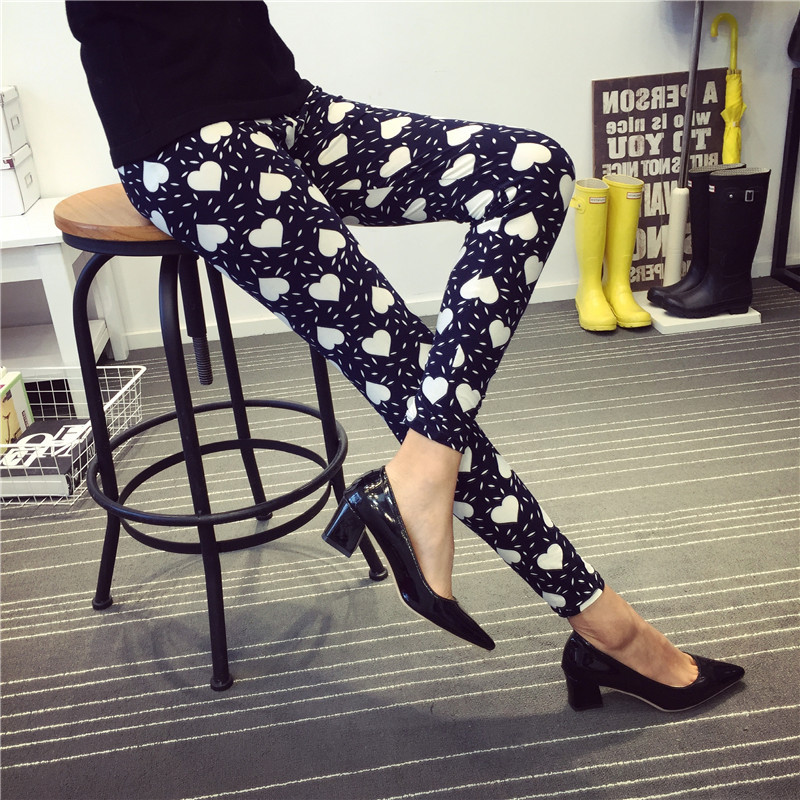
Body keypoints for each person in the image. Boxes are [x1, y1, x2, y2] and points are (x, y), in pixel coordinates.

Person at [66, 0, 743, 711]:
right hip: (190, 146)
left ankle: (422, 472)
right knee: (414, 375)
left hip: (286, 107)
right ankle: (610, 629)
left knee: (533, 171)